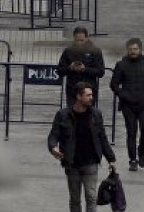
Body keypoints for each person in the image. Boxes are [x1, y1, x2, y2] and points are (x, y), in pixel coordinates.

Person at [47, 82, 117, 212]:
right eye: (88, 95)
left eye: (92, 95)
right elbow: (53, 135)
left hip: (91, 162)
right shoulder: (63, 115)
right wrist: (53, 148)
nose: (92, 97)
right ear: (79, 97)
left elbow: (102, 138)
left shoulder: (96, 114)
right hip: (72, 162)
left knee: (91, 197)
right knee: (75, 199)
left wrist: (111, 159)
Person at [109, 38, 144, 172]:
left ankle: (141, 151)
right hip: (128, 105)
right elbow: (113, 84)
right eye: (130, 49)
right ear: (127, 50)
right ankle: (132, 159)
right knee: (131, 132)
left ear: (140, 49)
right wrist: (122, 94)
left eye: (135, 49)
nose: (133, 52)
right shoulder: (121, 65)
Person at [58, 26, 106, 108]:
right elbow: (60, 70)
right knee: (72, 115)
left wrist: (85, 69)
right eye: (77, 40)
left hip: (89, 90)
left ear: (87, 38)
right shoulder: (68, 51)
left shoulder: (95, 51)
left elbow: (101, 72)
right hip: (72, 90)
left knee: (88, 116)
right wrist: (70, 68)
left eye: (81, 40)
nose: (79, 43)